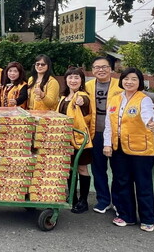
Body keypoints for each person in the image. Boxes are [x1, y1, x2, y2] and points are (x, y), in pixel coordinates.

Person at [85, 56, 154, 214]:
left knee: (119, 170)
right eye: (96, 67)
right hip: (96, 133)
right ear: (93, 69)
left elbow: (142, 95)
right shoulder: (88, 85)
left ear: (111, 69)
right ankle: (103, 200)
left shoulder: (121, 83)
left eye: (104, 67)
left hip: (119, 135)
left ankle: (119, 201)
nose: (100, 70)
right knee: (98, 169)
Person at [103, 67, 154, 232]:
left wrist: (151, 123)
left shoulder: (144, 99)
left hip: (141, 150)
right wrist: (107, 144)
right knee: (122, 182)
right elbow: (108, 124)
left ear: (140, 82)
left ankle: (148, 219)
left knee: (143, 184)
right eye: (126, 79)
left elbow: (148, 115)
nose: (129, 82)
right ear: (122, 81)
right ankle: (127, 216)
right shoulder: (114, 99)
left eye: (134, 79)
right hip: (118, 148)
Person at [57, 67, 93, 214]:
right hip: (65, 139)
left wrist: (79, 101)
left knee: (82, 168)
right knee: (69, 168)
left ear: (81, 80)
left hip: (80, 139)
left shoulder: (83, 96)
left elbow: (83, 102)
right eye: (70, 77)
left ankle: (83, 200)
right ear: (66, 80)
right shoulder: (62, 98)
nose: (73, 80)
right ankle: (72, 197)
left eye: (76, 78)